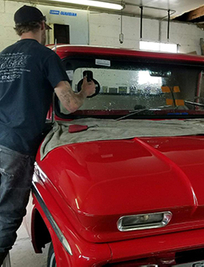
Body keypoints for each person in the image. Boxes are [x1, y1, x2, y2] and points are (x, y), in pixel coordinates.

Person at [0, 5, 96, 264]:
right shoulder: (45, 56)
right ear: (43, 25)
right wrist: (85, 92)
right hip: (17, 146)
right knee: (8, 217)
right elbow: (70, 105)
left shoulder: (2, 56)